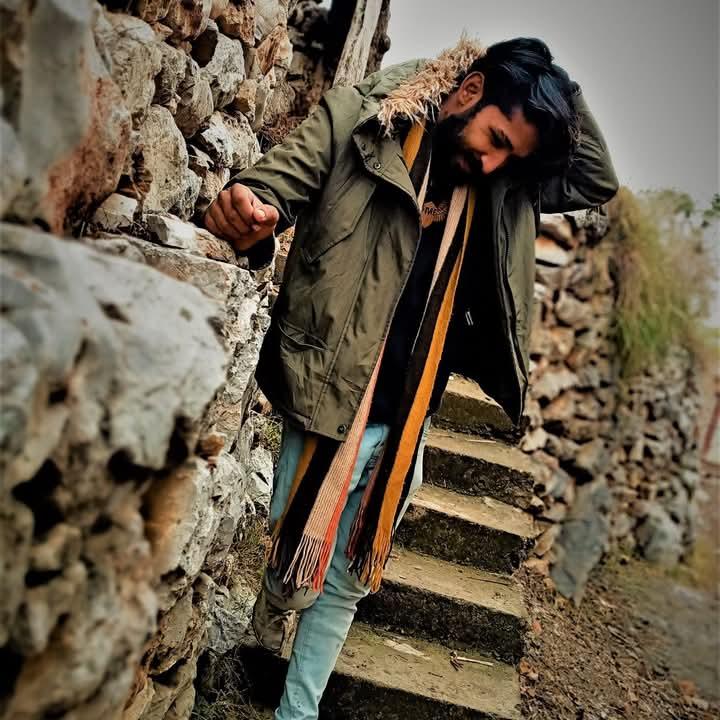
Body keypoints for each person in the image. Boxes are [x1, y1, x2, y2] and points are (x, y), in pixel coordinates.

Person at [204, 36, 618, 720]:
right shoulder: (363, 121)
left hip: (408, 415)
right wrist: (254, 206)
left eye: (510, 155)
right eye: (495, 139)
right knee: (291, 556)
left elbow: (596, 178)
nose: (492, 162)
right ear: (468, 90)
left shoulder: (504, 185)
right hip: (329, 391)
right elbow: (277, 182)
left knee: (346, 580)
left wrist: (553, 78)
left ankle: (296, 712)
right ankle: (272, 612)